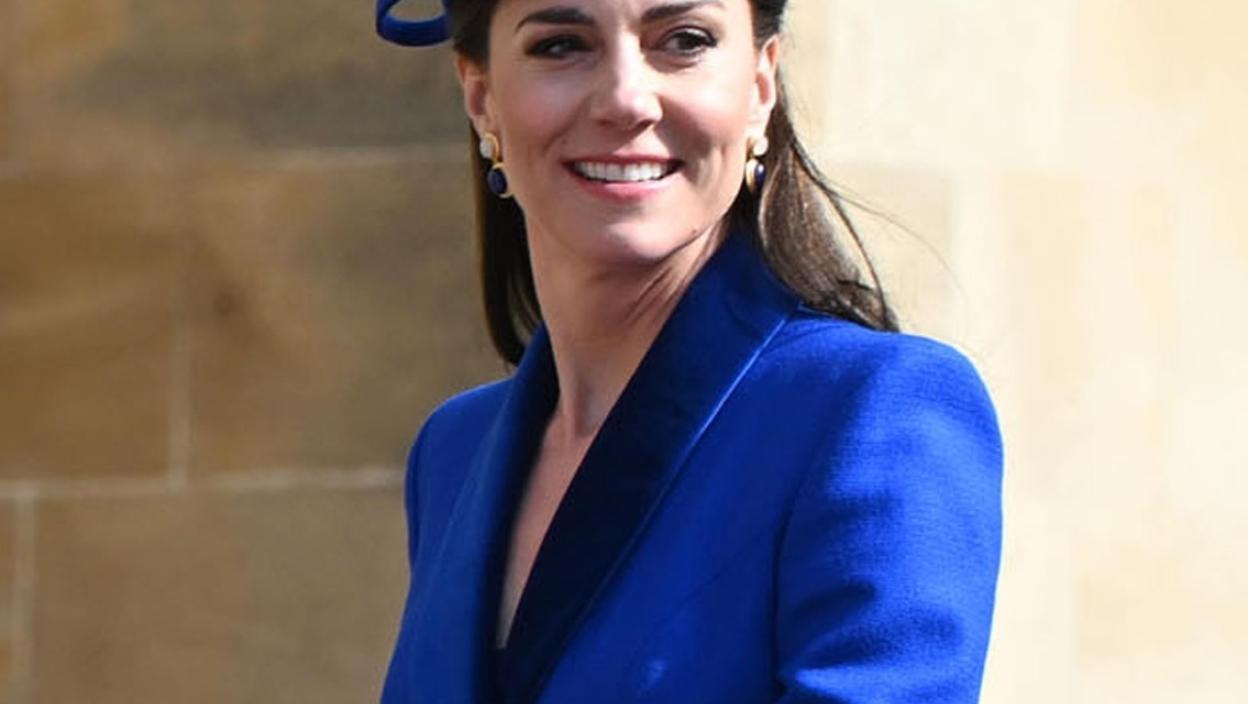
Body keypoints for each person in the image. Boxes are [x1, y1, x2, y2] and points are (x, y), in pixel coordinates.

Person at [374, 1, 1003, 702]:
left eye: (684, 40)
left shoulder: (874, 409)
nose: (625, 99)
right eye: (560, 46)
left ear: (760, 86)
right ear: (481, 96)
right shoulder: (453, 452)